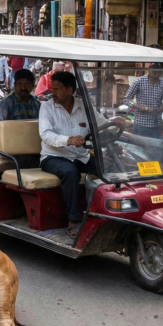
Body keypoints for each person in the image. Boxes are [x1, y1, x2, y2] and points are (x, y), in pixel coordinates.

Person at [39, 71, 104, 237]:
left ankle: (101, 212)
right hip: (53, 157)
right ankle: (73, 220)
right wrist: (69, 140)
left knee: (105, 168)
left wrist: (117, 124)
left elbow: (101, 123)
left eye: (57, 89)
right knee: (70, 172)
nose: (52, 92)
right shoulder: (47, 106)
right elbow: (45, 134)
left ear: (69, 90)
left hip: (80, 156)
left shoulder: (83, 106)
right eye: (52, 88)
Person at [122, 63, 163, 138]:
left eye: (159, 70)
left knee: (154, 145)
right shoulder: (139, 82)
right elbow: (126, 99)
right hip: (140, 125)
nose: (157, 72)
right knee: (139, 145)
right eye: (155, 70)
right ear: (149, 70)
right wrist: (140, 107)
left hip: (156, 125)